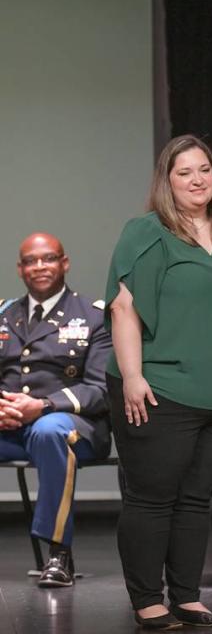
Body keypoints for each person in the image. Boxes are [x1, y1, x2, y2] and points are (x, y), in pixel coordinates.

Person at [105, 135, 212, 629]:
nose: (197, 180)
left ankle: (186, 595)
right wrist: (132, 376)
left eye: (204, 169)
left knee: (196, 498)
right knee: (151, 497)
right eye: (184, 172)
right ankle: (148, 599)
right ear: (167, 181)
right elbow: (123, 307)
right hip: (158, 388)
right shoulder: (146, 231)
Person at [0, 233, 110, 588]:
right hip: (11, 427)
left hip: (74, 428)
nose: (39, 266)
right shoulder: (4, 313)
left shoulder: (93, 317)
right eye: (31, 261)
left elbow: (101, 389)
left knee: (50, 431)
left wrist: (44, 406)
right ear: (20, 269)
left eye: (48, 258)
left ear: (65, 263)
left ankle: (58, 555)